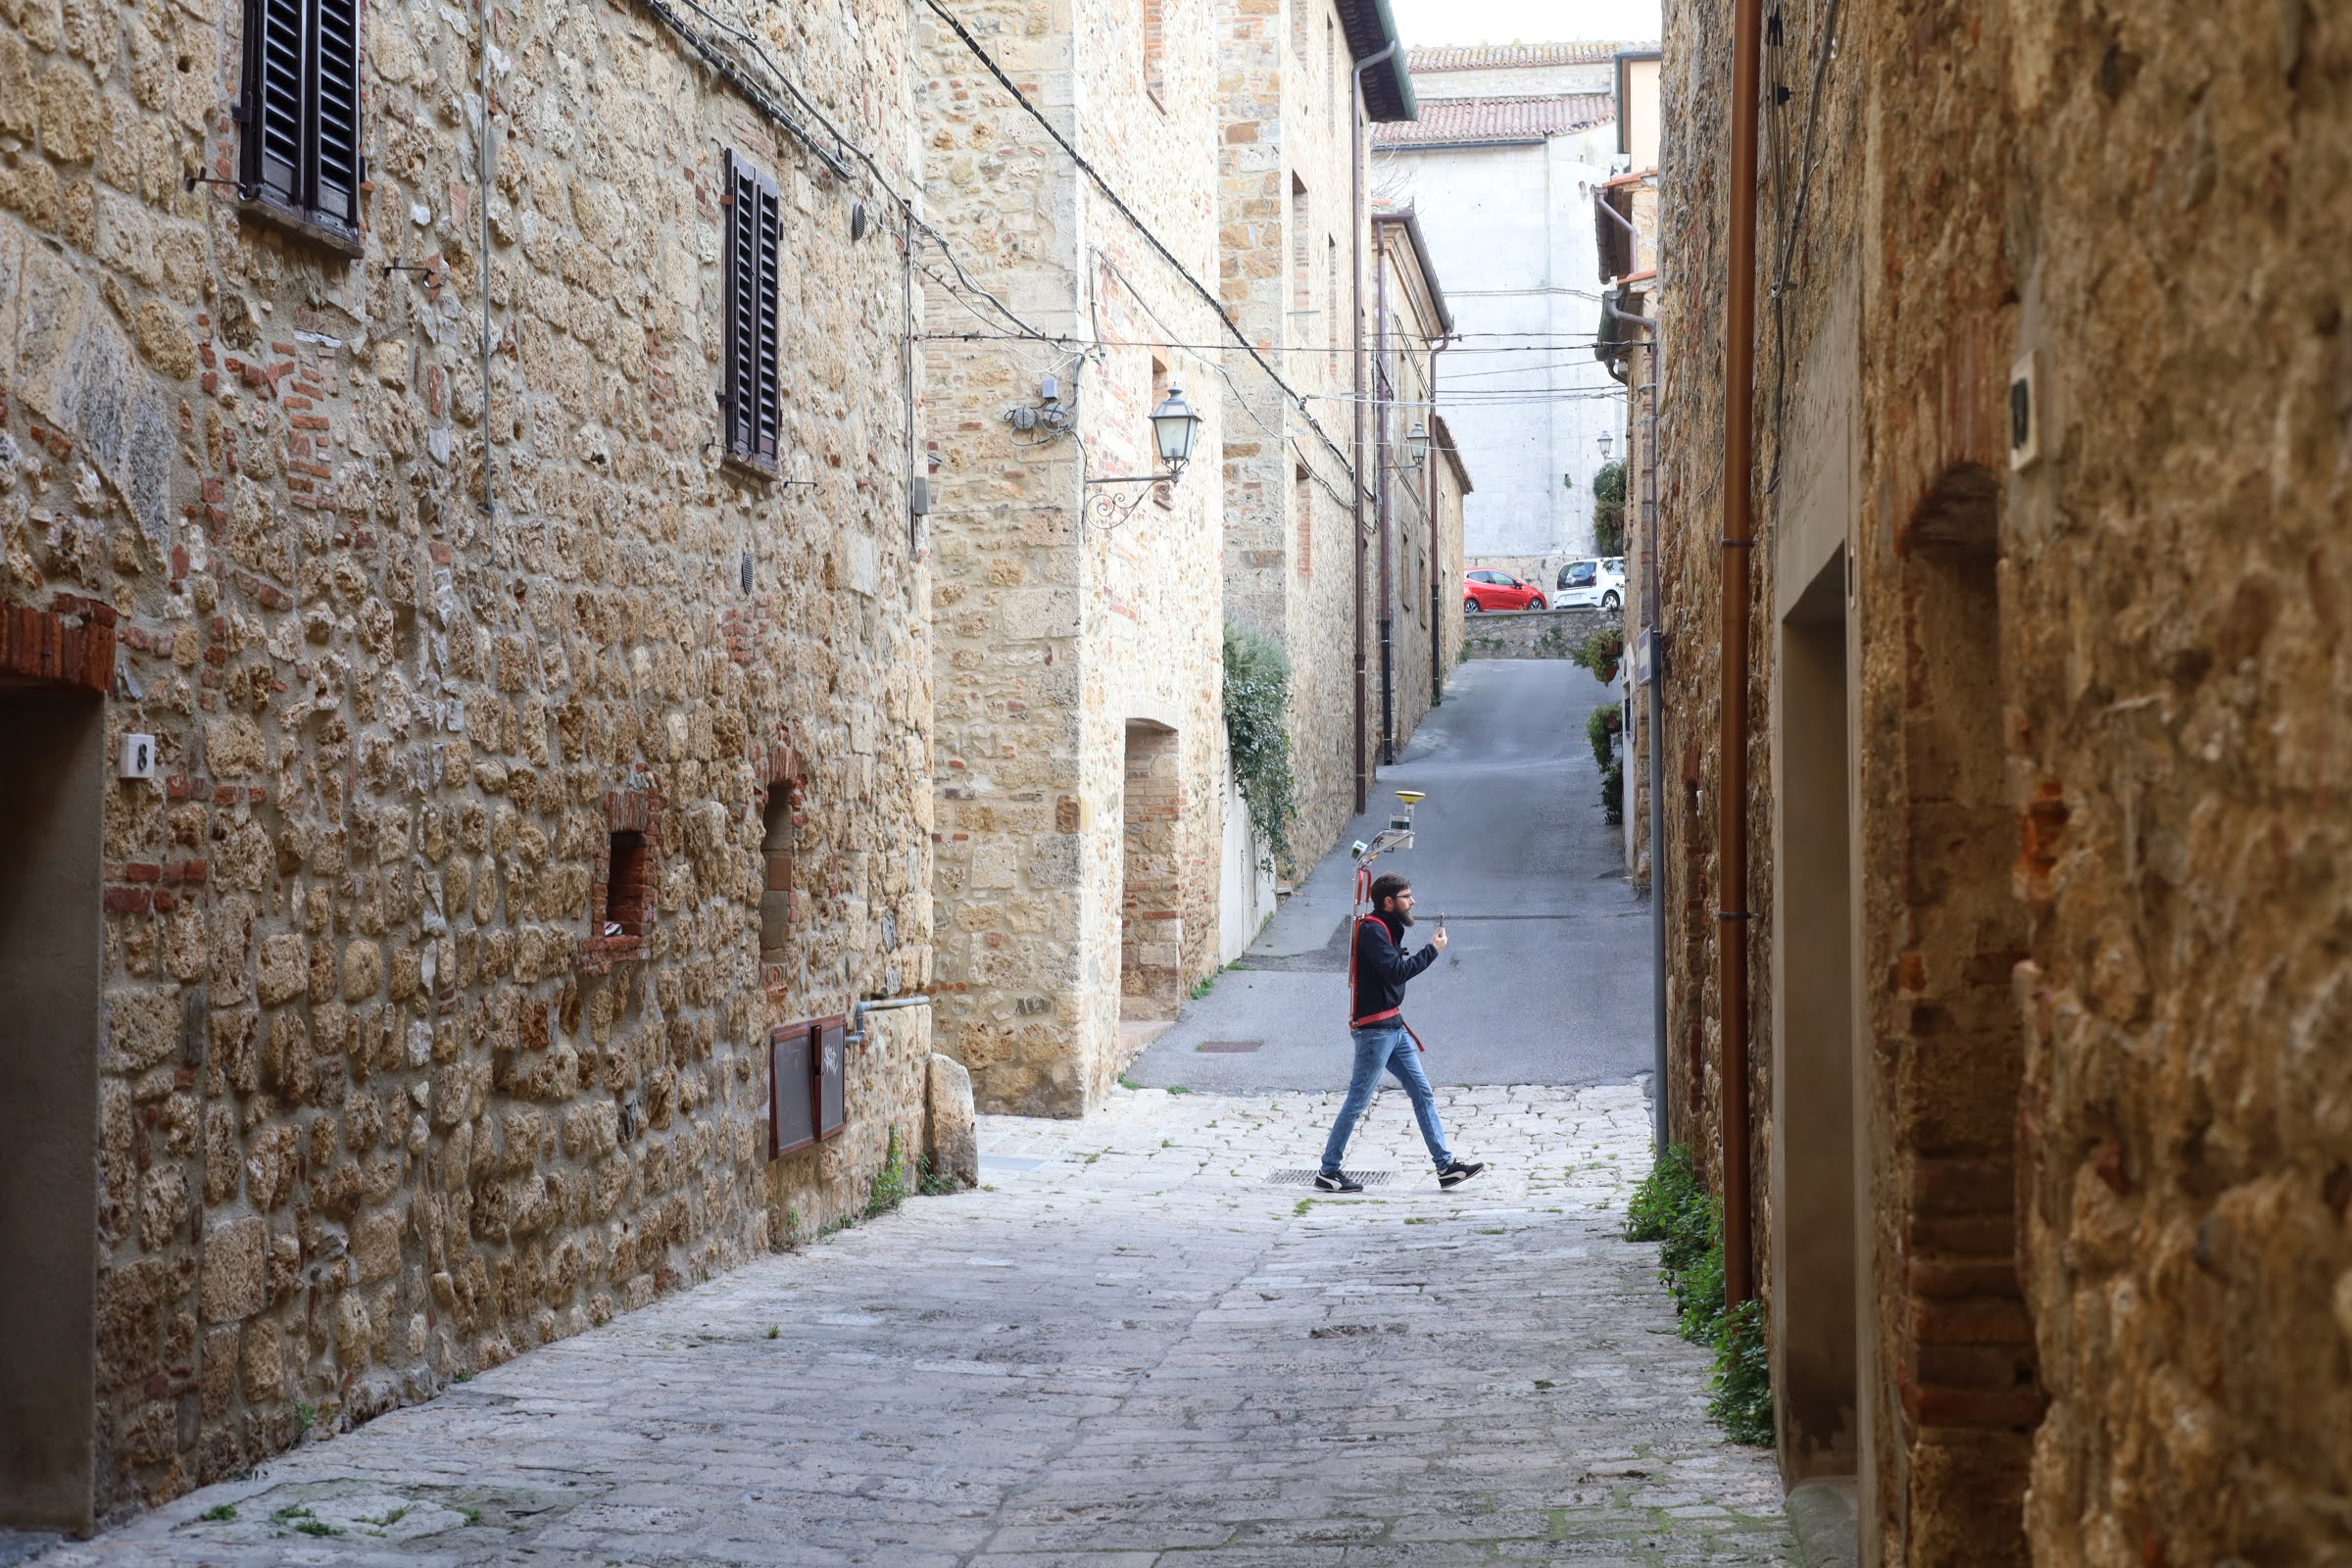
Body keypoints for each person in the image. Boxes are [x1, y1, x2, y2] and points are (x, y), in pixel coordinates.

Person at [1315, 873, 1486, 1193]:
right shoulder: (1373, 931)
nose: (1413, 901)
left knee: (1422, 1093)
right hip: (1375, 1032)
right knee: (1357, 1101)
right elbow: (1396, 973)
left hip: (1393, 1026)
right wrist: (1432, 949)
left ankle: (1446, 1167)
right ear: (1388, 902)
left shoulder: (1386, 928)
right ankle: (1328, 1170)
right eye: (1406, 896)